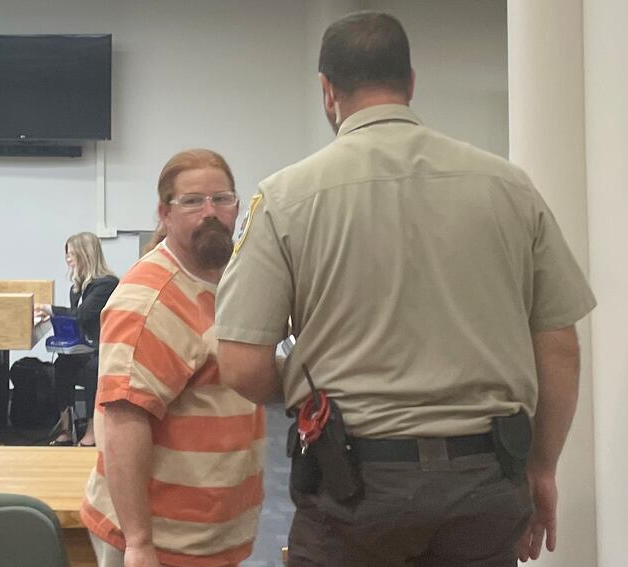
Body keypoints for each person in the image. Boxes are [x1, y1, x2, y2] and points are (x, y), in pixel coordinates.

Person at [215, 12, 596, 567]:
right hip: (485, 481)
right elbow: (560, 345)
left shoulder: (285, 198)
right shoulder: (509, 186)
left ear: (327, 91)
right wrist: (541, 468)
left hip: (353, 487)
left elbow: (241, 364)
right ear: (411, 82)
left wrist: (305, 393)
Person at [79, 149, 265, 567]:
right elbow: (124, 421)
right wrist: (139, 543)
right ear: (164, 212)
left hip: (209, 532)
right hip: (161, 541)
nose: (211, 212)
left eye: (222, 199)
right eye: (193, 201)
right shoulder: (149, 298)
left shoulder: (227, 280)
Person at [35, 231, 118, 447]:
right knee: (61, 366)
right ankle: (66, 427)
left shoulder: (106, 284)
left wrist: (50, 309)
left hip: (102, 349)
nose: (68, 259)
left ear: (85, 254)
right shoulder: (78, 287)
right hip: (83, 348)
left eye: (71, 254)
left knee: (92, 370)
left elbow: (82, 315)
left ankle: (92, 430)